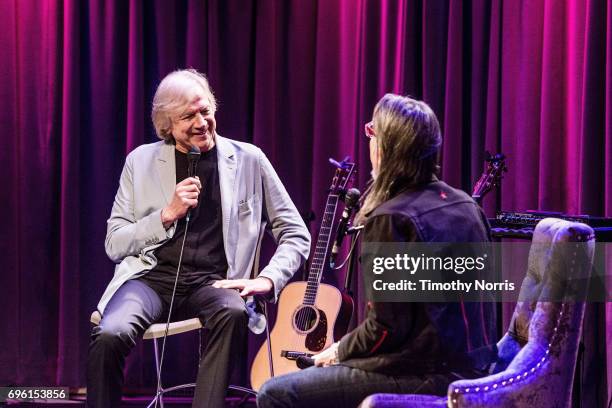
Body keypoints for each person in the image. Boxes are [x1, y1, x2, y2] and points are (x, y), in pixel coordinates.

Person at [87, 69, 311, 408]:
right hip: (149, 278)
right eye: (188, 116)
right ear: (167, 126)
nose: (201, 122)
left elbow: (295, 232)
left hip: (214, 282)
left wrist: (268, 278)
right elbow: (115, 242)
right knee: (109, 334)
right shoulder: (141, 161)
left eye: (205, 110)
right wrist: (166, 214)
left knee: (233, 313)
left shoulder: (249, 159)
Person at [257, 94, 496, 407]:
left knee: (275, 393)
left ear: (385, 148)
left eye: (372, 132)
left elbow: (385, 329)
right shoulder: (465, 204)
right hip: (474, 368)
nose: (369, 141)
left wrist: (338, 351)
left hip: (426, 375)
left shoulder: (392, 218)